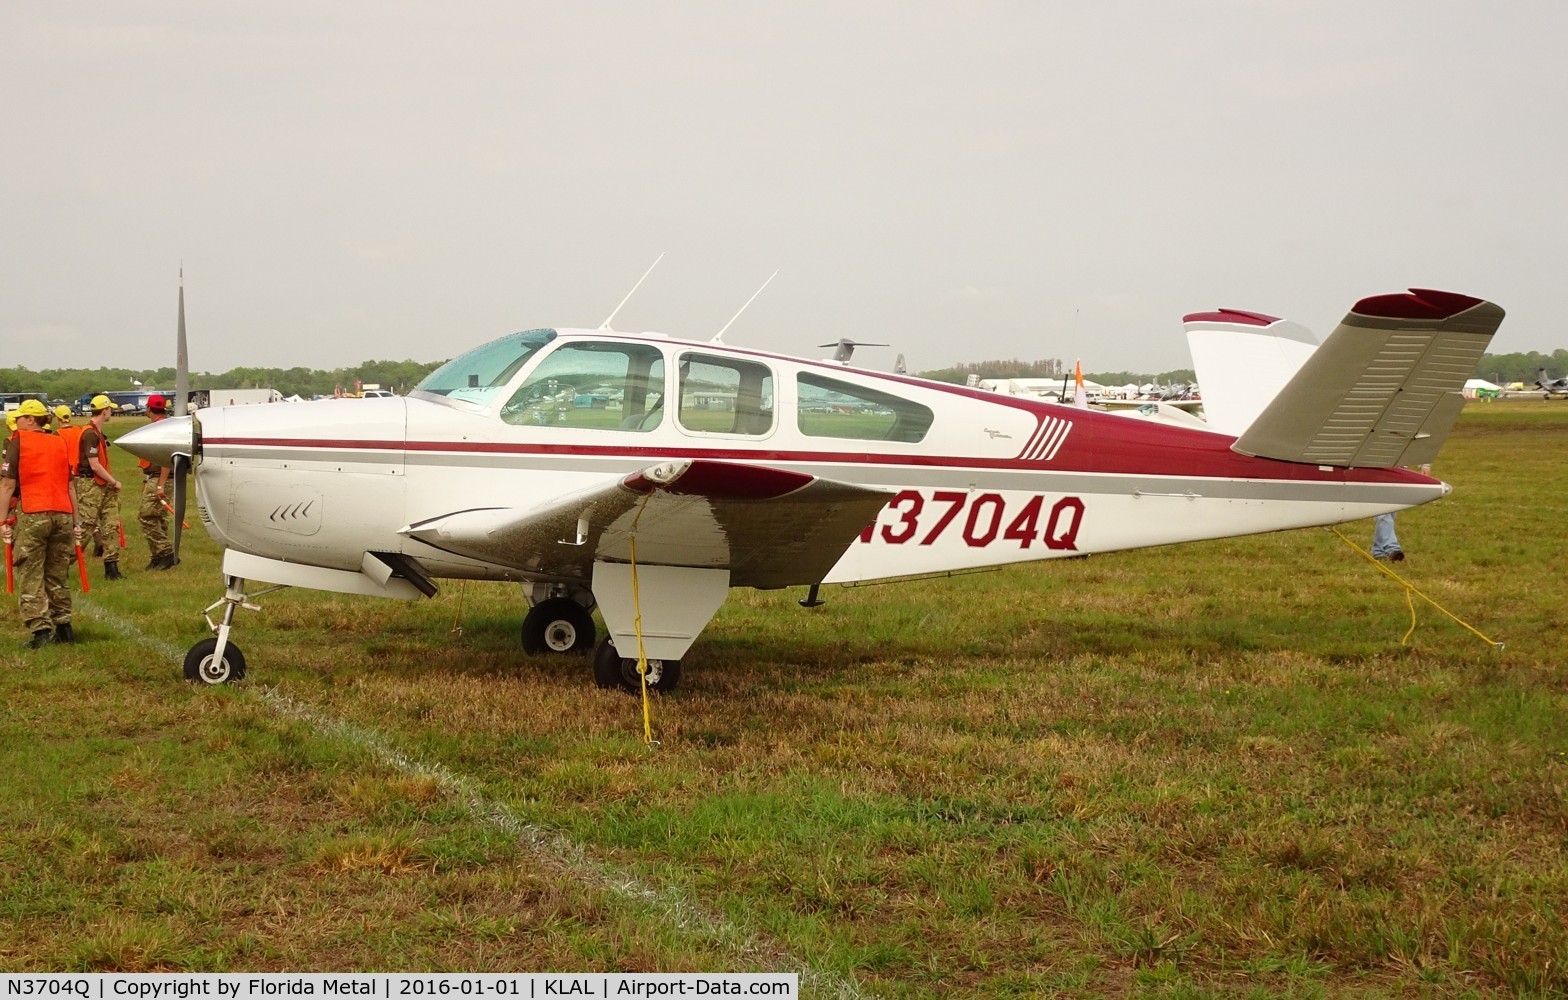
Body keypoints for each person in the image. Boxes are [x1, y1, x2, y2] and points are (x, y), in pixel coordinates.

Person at [0, 399, 78, 647]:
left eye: (20, 417)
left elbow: (7, 483)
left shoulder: (18, 441)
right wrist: (76, 520)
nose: (17, 422)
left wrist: (2, 520)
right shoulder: (59, 441)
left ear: (30, 419)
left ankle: (40, 632)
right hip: (63, 513)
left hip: (34, 511)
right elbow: (70, 484)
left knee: (31, 572)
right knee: (57, 573)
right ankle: (65, 627)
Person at [75, 395, 125, 580]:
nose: (111, 412)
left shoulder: (96, 433)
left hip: (103, 486)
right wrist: (114, 481)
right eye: (110, 409)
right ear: (105, 411)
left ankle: (112, 568)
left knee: (111, 525)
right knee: (86, 527)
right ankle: (63, 563)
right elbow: (94, 465)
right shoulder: (89, 434)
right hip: (91, 485)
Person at [137, 394, 177, 570]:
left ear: (149, 409)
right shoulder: (166, 426)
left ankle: (166, 552)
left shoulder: (159, 429)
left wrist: (160, 484)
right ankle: (157, 557)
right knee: (159, 517)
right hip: (158, 478)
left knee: (146, 516)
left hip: (160, 478)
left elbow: (165, 459)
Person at [1371, 463, 1432, 562]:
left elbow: (1415, 446)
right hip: (1376, 468)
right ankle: (1392, 548)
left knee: (1390, 511)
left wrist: (1425, 466)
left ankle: (1379, 551)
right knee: (1383, 511)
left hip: (1398, 470)